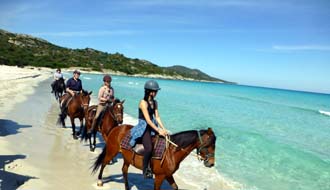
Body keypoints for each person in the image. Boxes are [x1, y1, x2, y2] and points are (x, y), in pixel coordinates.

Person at [129, 80, 168, 179]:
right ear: (147, 91)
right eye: (153, 91)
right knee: (149, 148)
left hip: (152, 125)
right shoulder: (143, 103)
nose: (155, 93)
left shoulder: (155, 103)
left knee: (163, 142)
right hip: (144, 127)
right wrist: (158, 131)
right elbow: (148, 120)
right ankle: (145, 169)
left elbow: (157, 117)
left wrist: (164, 129)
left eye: (156, 91)